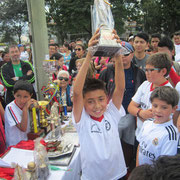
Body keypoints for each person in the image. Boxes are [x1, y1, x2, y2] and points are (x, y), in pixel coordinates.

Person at [72, 29, 127, 180]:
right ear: (83, 103)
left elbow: (120, 88)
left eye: (101, 99)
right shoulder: (82, 120)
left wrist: (117, 55)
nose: (97, 106)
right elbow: (77, 93)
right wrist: (89, 54)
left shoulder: (111, 113)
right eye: (90, 101)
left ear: (107, 98)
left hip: (119, 174)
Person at [99, 41, 146, 169]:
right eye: (118, 54)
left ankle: (126, 168)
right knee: (111, 144)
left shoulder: (139, 73)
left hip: (131, 115)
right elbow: (98, 92)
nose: (122, 57)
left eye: (125, 53)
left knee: (128, 144)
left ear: (132, 55)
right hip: (110, 114)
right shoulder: (106, 72)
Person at [128, 52, 172, 139]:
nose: (147, 73)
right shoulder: (145, 84)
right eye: (146, 70)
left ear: (163, 71)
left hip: (158, 138)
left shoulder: (169, 91)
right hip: (140, 136)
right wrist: (141, 113)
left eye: (151, 70)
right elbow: (130, 107)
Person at [136, 86, 179, 166]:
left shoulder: (171, 135)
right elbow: (140, 146)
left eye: (164, 107)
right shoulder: (147, 123)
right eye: (155, 106)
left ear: (174, 109)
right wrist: (137, 169)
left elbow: (165, 166)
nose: (158, 111)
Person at [4, 80, 36, 147]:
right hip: (15, 146)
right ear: (14, 94)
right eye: (18, 96)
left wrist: (35, 108)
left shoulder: (29, 104)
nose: (22, 100)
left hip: (27, 142)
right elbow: (23, 128)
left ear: (31, 96)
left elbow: (33, 124)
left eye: (26, 97)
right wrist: (25, 109)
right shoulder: (10, 108)